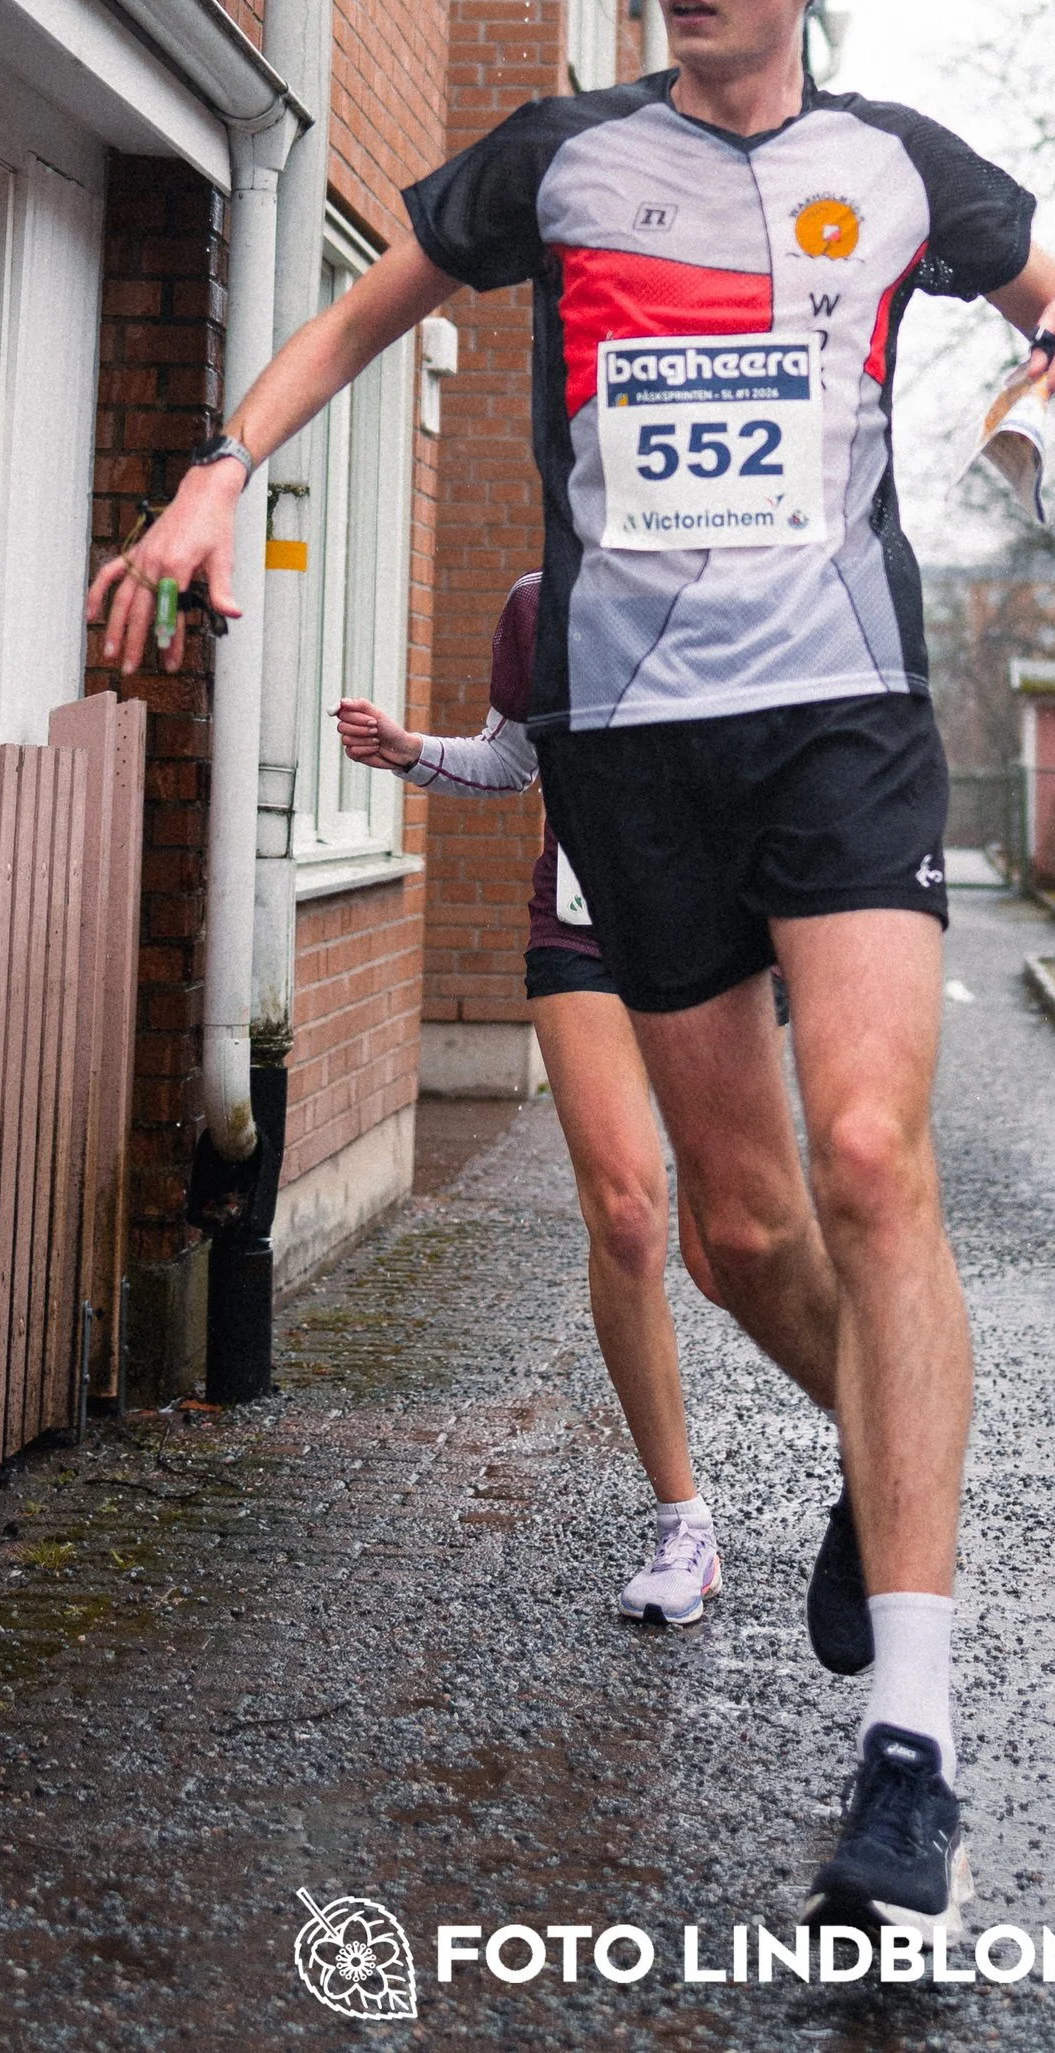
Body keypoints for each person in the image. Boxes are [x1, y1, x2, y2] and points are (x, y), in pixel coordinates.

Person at [88, 0, 1055, 1946]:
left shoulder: (903, 165)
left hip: (840, 712)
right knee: (737, 1219)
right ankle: (876, 1447)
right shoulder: (560, 159)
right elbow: (369, 308)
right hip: (630, 739)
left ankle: (908, 1753)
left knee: (866, 1149)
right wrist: (216, 473)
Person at [333, 568, 745, 1631]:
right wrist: (411, 750)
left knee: (732, 1245)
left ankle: (872, 1453)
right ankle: (681, 1519)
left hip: (717, 938)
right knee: (625, 1215)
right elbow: (513, 759)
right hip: (580, 930)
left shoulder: (750, 584)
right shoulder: (535, 601)